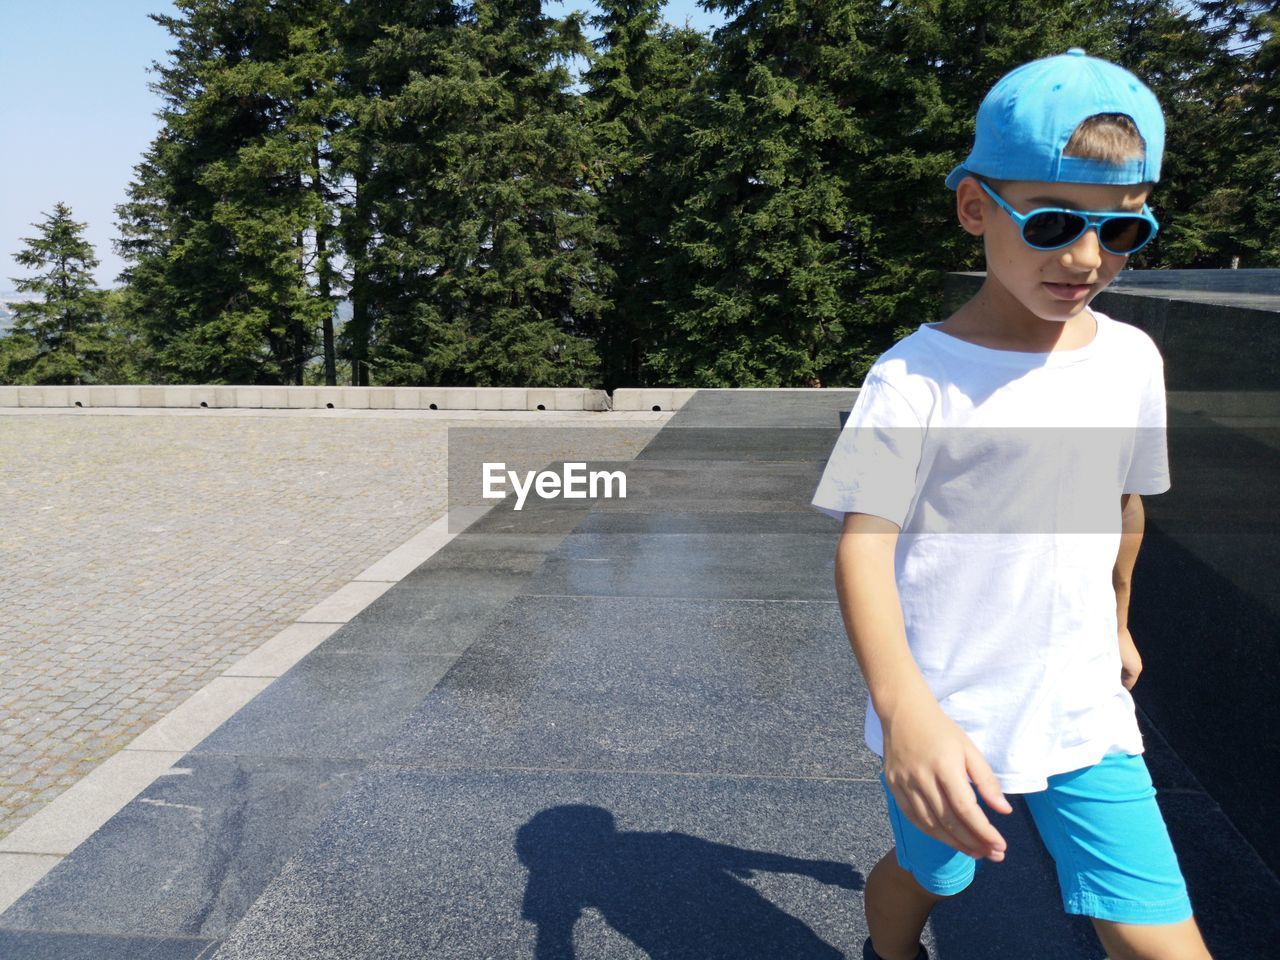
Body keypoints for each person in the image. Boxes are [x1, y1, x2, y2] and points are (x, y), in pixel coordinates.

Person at [810, 49, 1214, 960]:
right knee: (929, 876)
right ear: (975, 208)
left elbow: (1123, 506)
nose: (1086, 258)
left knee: (1160, 936)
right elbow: (863, 548)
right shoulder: (916, 377)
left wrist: (1117, 621)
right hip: (950, 706)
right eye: (1056, 222)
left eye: (1122, 231)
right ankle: (889, 952)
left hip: (1083, 709)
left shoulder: (1131, 361)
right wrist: (906, 710)